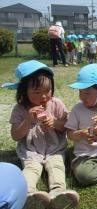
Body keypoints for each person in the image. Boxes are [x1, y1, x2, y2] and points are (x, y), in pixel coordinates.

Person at [2, 60, 79, 209]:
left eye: (48, 90)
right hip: (31, 150)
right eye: (37, 92)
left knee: (56, 166)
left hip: (54, 148)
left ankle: (58, 192)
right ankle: (28, 193)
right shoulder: (20, 109)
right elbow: (16, 135)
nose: (44, 96)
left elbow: (65, 127)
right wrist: (28, 120)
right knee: (31, 169)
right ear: (24, 91)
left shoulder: (56, 104)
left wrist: (55, 123)